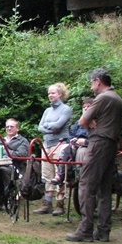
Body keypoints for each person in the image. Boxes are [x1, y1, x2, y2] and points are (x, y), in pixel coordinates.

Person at [66, 69, 122, 243]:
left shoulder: (103, 98)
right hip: (111, 145)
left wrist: (88, 121)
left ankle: (85, 229)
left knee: (86, 185)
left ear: (98, 81)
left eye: (92, 83)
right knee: (104, 189)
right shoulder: (117, 98)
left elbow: (82, 121)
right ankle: (104, 231)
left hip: (98, 144)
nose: (91, 88)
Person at [34, 82, 71, 215]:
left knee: (59, 174)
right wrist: (52, 127)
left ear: (60, 94)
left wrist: (48, 126)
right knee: (47, 173)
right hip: (47, 145)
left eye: (53, 93)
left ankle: (60, 204)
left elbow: (59, 126)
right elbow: (40, 127)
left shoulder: (66, 109)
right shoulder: (47, 111)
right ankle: (47, 203)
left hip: (60, 145)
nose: (50, 95)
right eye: (49, 93)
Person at [51, 98, 94, 185]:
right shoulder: (78, 123)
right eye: (84, 107)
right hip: (74, 146)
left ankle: (81, 177)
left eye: (88, 107)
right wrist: (72, 140)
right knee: (64, 147)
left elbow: (99, 140)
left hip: (90, 147)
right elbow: (70, 135)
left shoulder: (97, 123)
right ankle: (63, 175)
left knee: (81, 151)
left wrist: (85, 142)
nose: (85, 109)